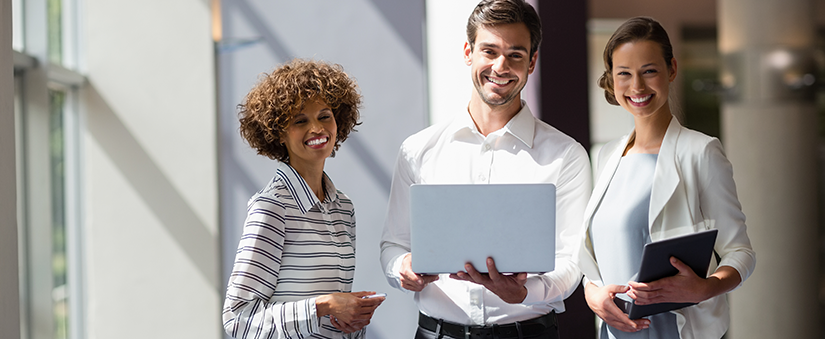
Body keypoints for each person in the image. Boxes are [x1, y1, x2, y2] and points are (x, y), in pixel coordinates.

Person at [380, 1, 592, 338]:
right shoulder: (418, 150)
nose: (500, 66)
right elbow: (393, 245)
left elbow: (572, 261)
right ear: (468, 52)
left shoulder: (566, 156)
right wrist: (401, 268)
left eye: (515, 55)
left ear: (532, 62)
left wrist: (526, 293)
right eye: (489, 51)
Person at [575, 17, 756, 339]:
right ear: (612, 80)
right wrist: (592, 293)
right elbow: (592, 256)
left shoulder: (700, 152)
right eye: (624, 74)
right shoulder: (604, 156)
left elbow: (740, 252)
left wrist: (705, 289)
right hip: (614, 331)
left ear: (671, 69)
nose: (637, 87)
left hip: (675, 329)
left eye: (649, 71)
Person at [223, 59, 384, 339]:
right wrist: (324, 305)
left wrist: (352, 318)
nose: (317, 128)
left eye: (324, 116)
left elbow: (330, 316)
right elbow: (237, 319)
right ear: (278, 133)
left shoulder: (343, 208)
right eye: (300, 121)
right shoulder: (271, 207)